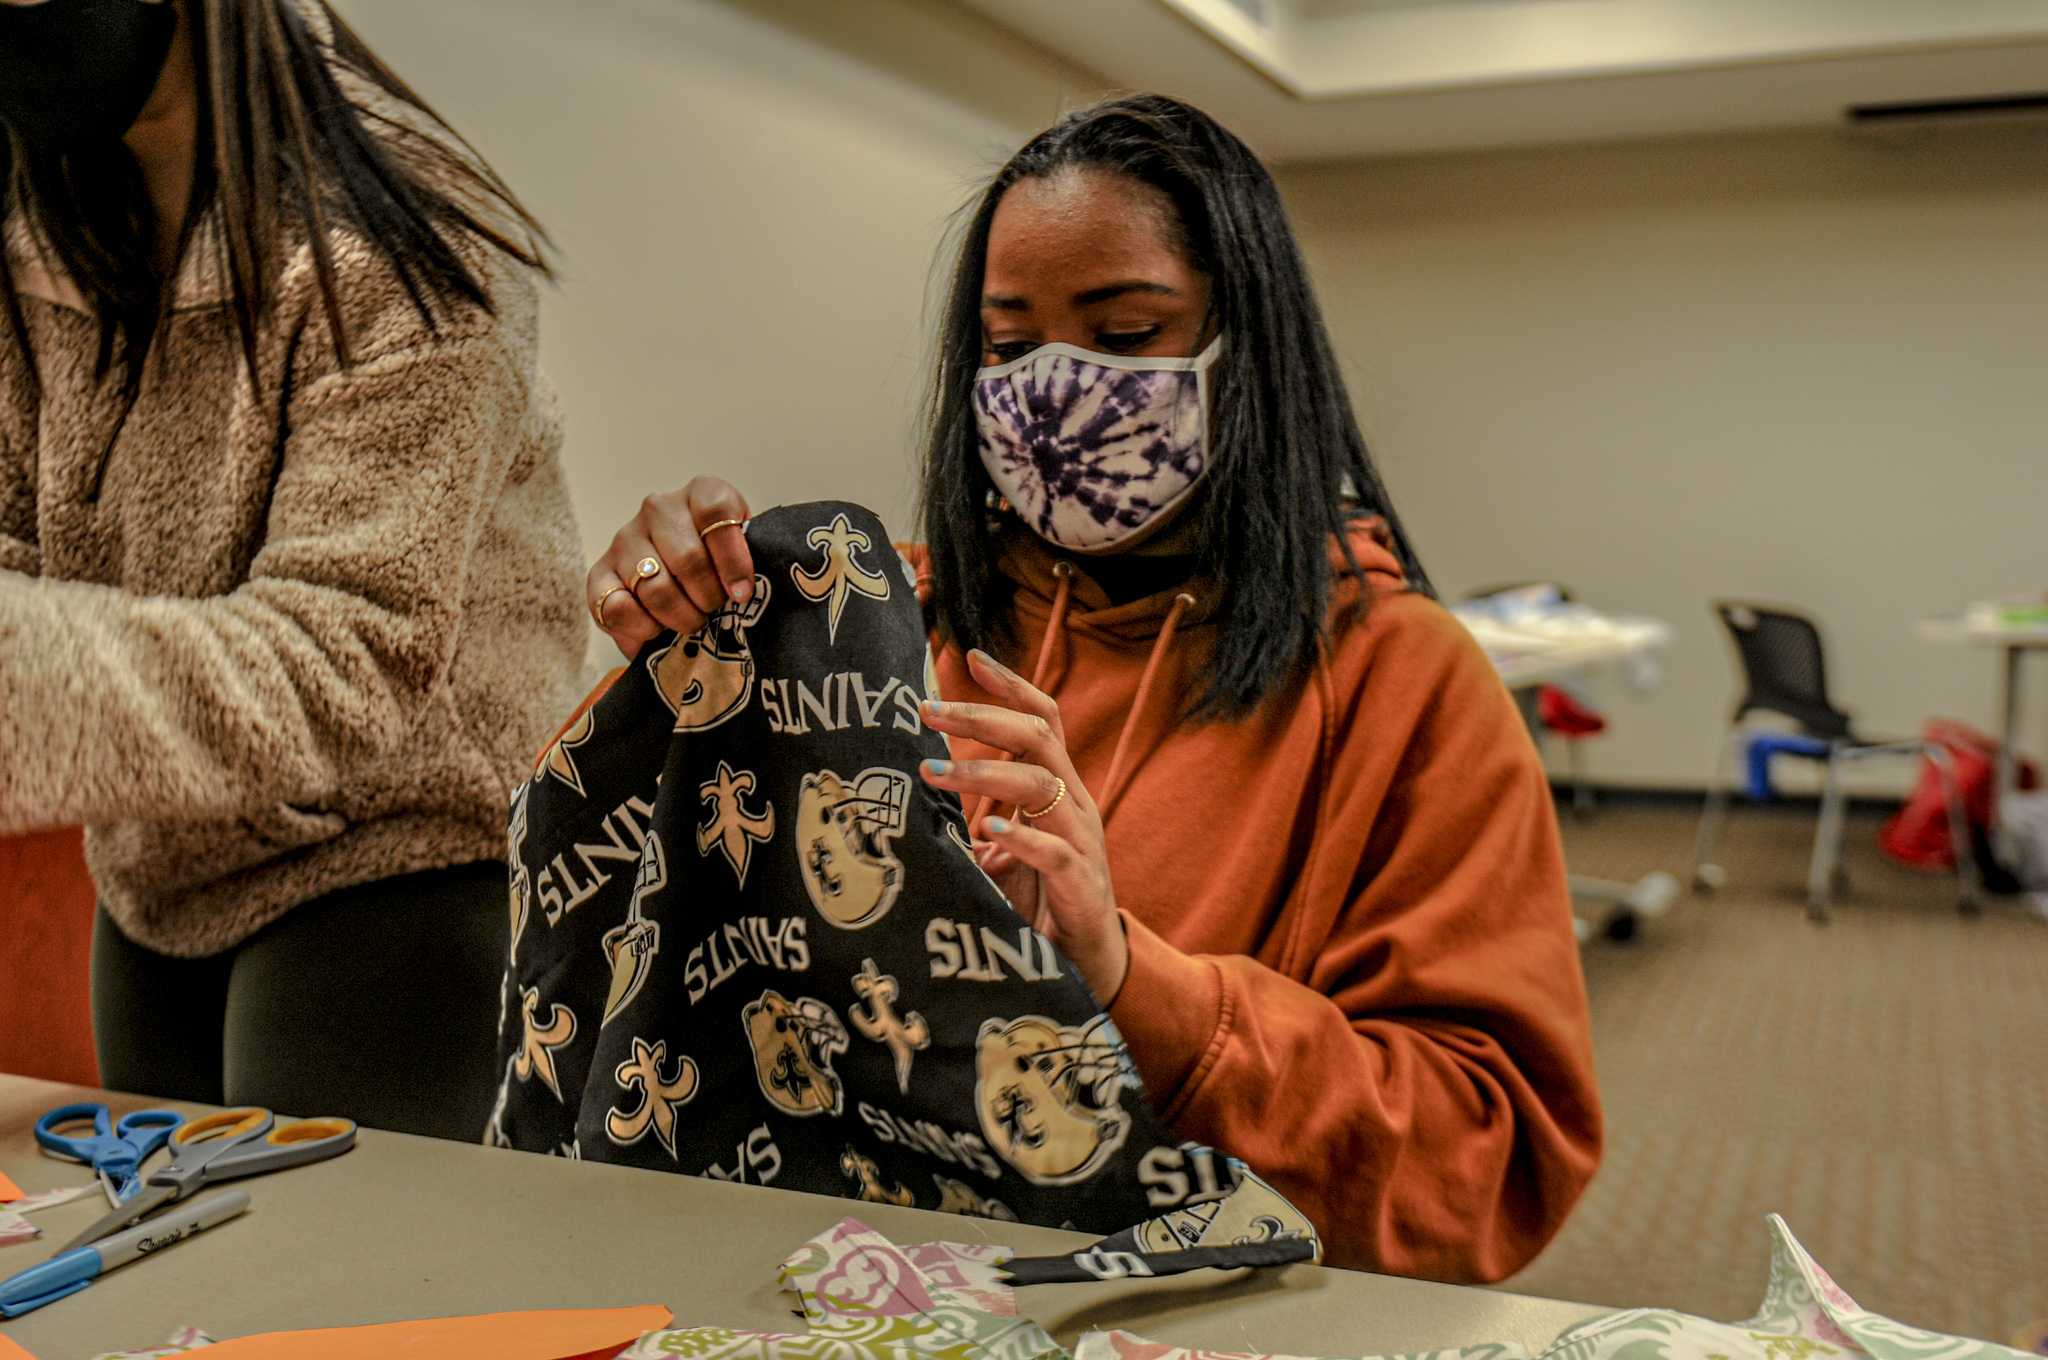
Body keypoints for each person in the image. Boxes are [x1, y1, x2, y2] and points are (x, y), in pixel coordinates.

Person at [587, 94, 1600, 1281]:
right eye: (1010, 348)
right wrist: (683, 639)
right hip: (857, 1280)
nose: (1054, 392)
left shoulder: (1400, 680)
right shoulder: (889, 625)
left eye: (1123, 336)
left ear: (1248, 348)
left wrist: (1129, 982)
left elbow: (1480, 1165)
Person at [0, 0, 585, 1140]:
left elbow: (346, 652)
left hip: (397, 874)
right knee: (165, 1306)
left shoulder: (410, 240)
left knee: (333, 1312)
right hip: (162, 884)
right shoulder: (44, 223)